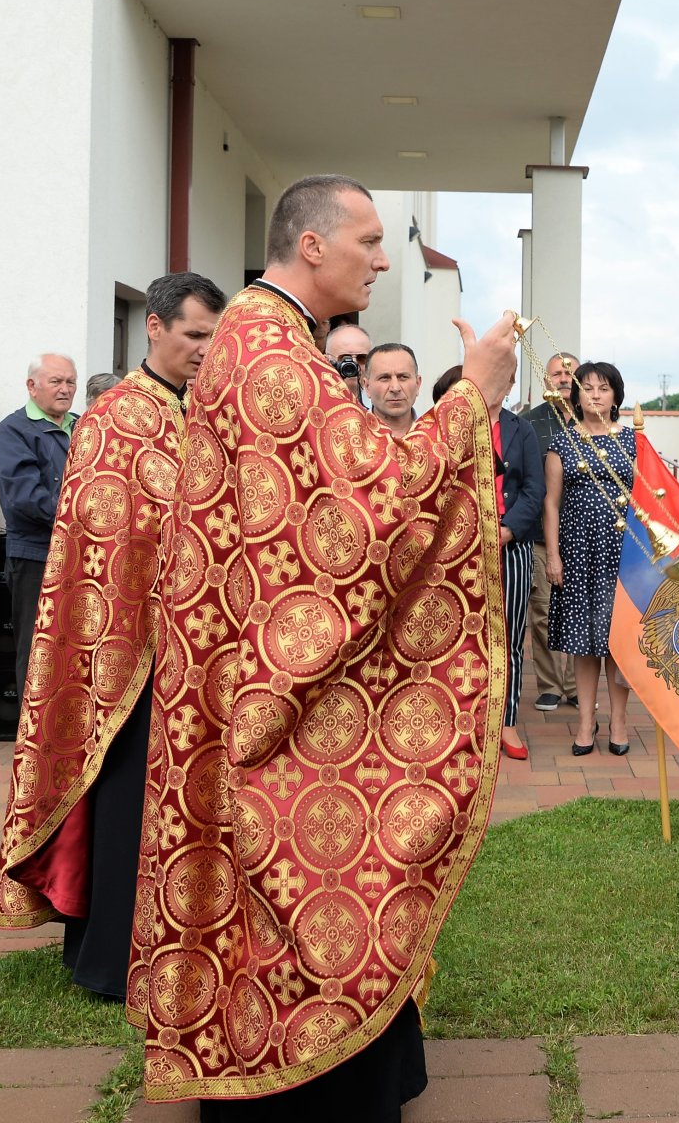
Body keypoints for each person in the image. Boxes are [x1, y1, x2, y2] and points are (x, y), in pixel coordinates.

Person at [126, 174, 517, 1119]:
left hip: (243, 661)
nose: (383, 260)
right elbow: (369, 510)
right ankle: (307, 1072)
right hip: (276, 694)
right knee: (320, 870)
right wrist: (476, 400)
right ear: (312, 246)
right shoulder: (273, 357)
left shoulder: (264, 342)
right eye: (370, 240)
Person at [0, 272, 227, 1003]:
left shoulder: (202, 409)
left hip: (197, 644)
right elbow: (107, 532)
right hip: (128, 649)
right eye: (194, 334)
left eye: (213, 337)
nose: (204, 349)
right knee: (128, 799)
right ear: (153, 327)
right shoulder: (115, 417)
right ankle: (111, 955)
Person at [434, 363, 543, 760]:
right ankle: (458, 723)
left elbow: (534, 489)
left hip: (509, 544)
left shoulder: (522, 429)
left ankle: (505, 722)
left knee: (509, 638)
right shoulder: (448, 423)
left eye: (505, 379)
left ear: (511, 383)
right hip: (457, 546)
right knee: (454, 639)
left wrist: (507, 531)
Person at [543, 361, 636, 757]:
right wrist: (553, 555)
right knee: (582, 642)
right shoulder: (562, 442)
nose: (595, 394)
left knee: (617, 641)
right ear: (576, 396)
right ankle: (585, 722)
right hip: (577, 552)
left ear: (616, 395)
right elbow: (551, 503)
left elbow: (649, 500)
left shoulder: (633, 441)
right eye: (587, 388)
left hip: (622, 554)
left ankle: (618, 719)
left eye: (603, 387)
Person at [0, 353, 79, 702]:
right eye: (56, 381)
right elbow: (24, 500)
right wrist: (89, 516)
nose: (65, 389)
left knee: (77, 652)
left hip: (84, 554)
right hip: (36, 558)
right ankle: (33, 745)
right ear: (31, 386)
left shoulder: (82, 426)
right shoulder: (10, 433)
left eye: (70, 381)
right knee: (39, 650)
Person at [525, 353, 581, 715]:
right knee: (542, 611)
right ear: (545, 380)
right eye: (557, 373)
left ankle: (577, 685)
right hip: (540, 536)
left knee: (580, 610)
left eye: (570, 373)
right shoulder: (528, 423)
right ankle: (549, 686)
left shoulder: (593, 421)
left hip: (581, 534)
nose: (563, 378)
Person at [366, 342, 421, 435]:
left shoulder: (438, 436)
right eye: (384, 378)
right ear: (367, 387)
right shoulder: (349, 436)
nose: (395, 388)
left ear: (418, 384)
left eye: (403, 377)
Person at [324, 320, 372, 407]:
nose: (354, 364)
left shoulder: (380, 406)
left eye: (361, 358)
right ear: (327, 360)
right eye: (345, 358)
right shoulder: (314, 400)